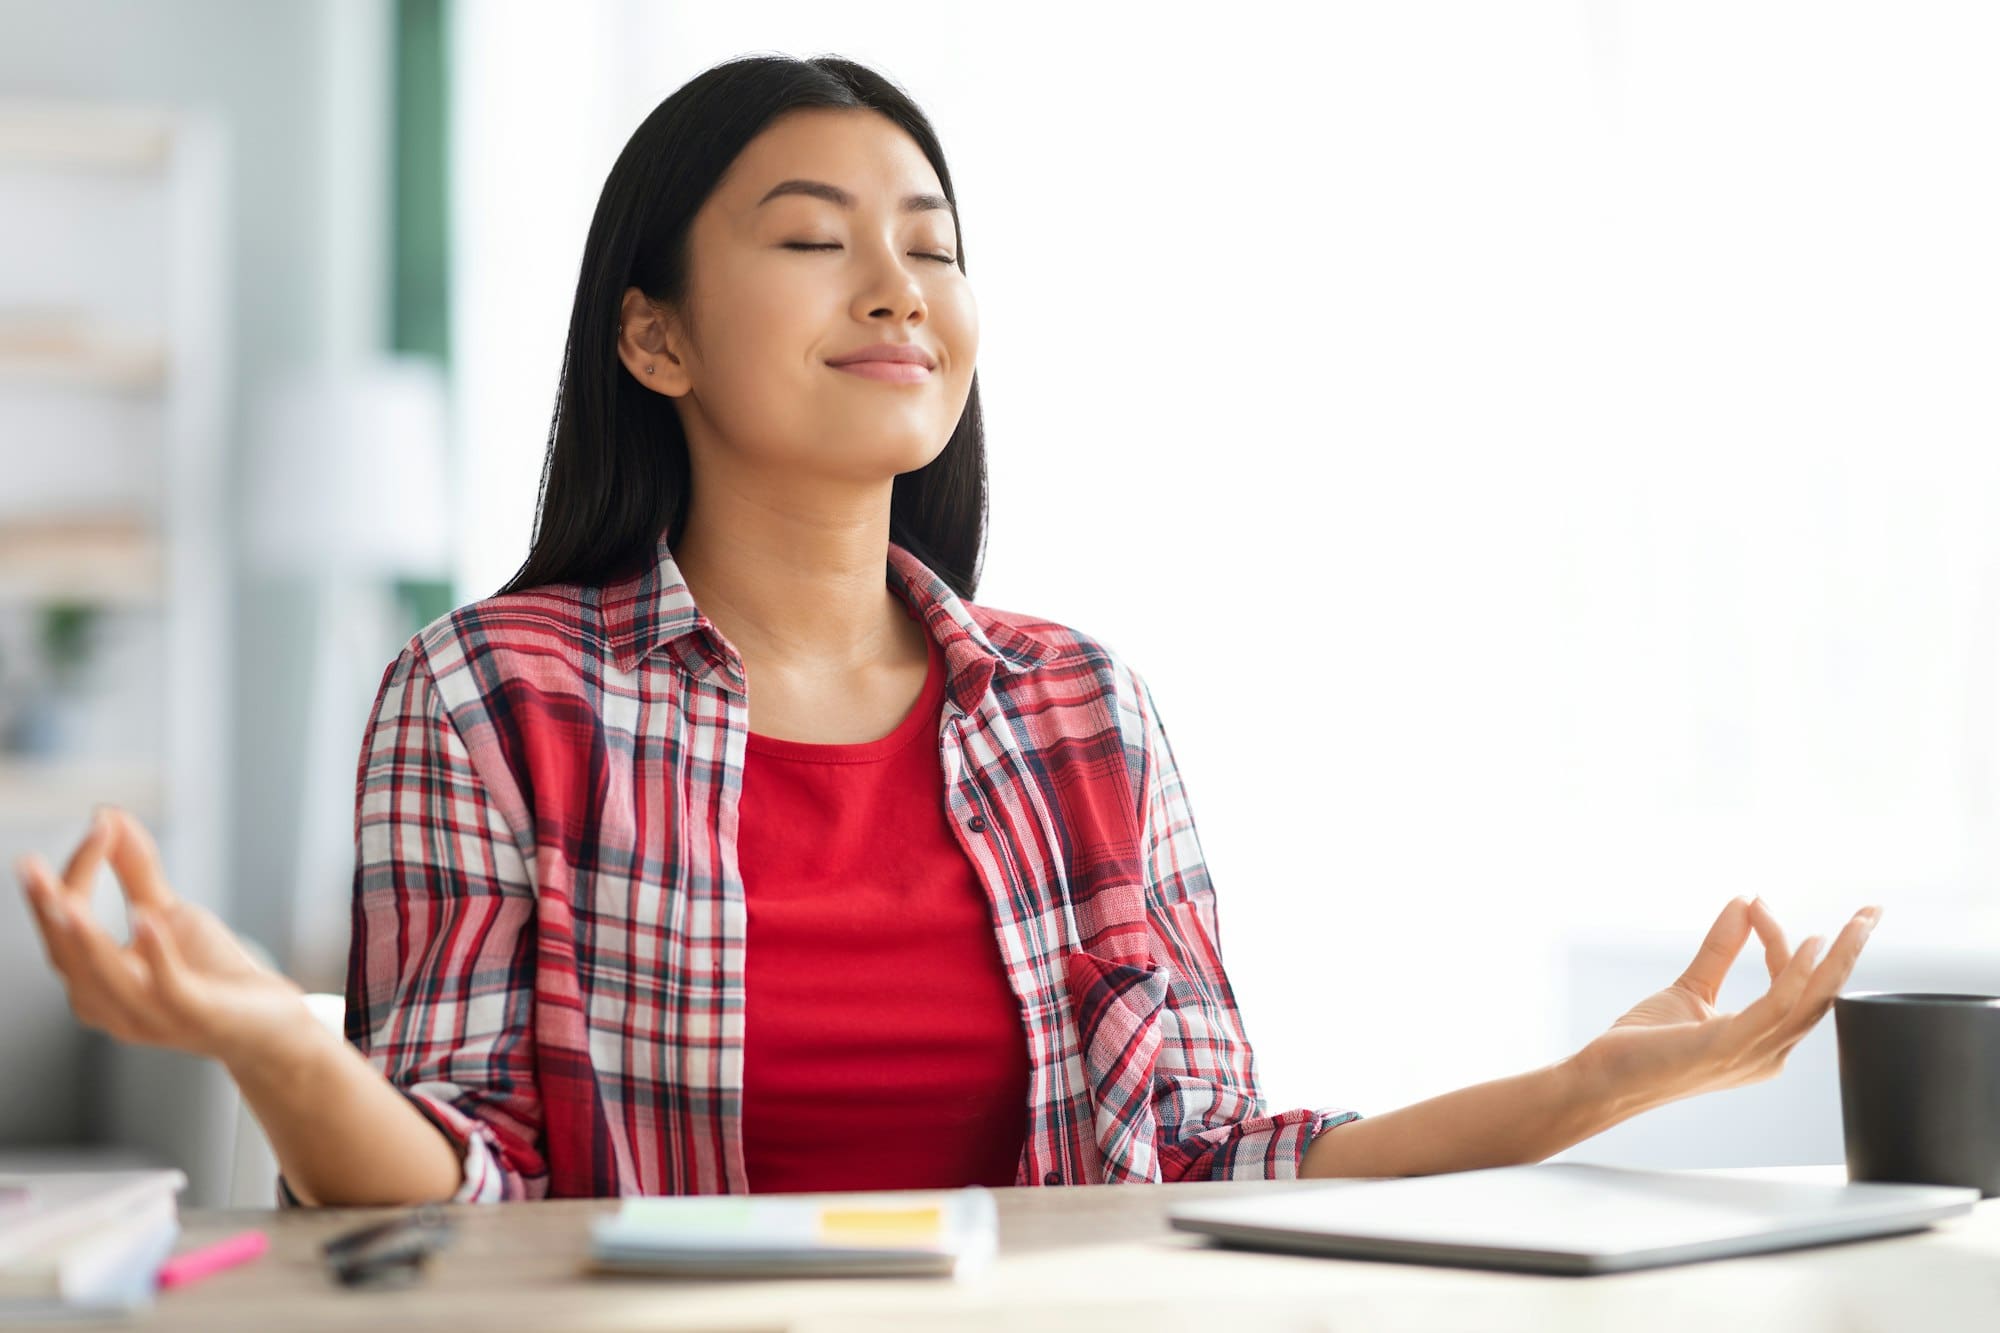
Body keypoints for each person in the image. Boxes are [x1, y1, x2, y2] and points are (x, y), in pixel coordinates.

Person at [14, 54, 1880, 1208]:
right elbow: (460, 1185)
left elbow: (1207, 1161)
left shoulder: (1080, 708)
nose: (900, 284)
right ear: (653, 337)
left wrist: (1580, 1091)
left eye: (932, 237)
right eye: (816, 238)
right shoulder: (493, 695)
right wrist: (278, 1040)